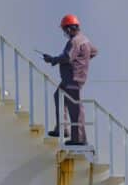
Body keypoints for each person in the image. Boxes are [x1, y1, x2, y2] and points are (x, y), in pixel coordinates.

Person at [42, 14, 98, 146]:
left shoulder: (74, 41)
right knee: (58, 96)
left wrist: (52, 60)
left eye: (64, 30)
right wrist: (82, 61)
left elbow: (67, 56)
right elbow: (94, 52)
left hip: (73, 79)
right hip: (70, 79)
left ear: (68, 29)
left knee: (75, 108)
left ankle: (79, 139)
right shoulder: (84, 39)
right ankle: (62, 129)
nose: (64, 33)